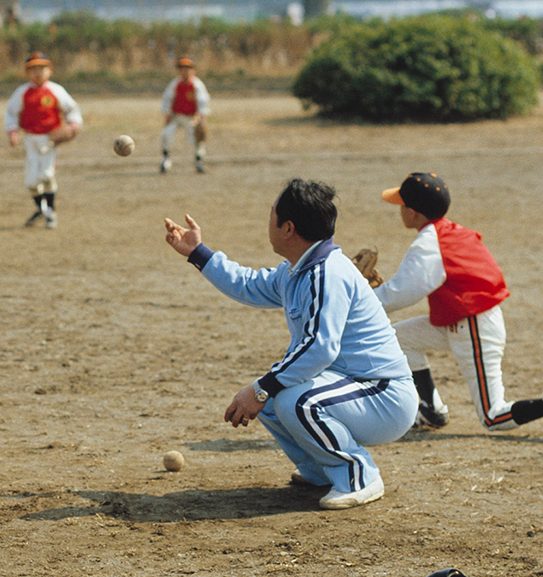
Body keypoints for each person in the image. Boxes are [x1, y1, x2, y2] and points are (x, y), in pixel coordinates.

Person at [164, 178, 418, 510]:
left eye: (272, 213)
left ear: (288, 229)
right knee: (274, 397)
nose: (267, 219)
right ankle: (321, 471)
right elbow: (249, 285)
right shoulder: (300, 269)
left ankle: (358, 475)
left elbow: (319, 348)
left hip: (383, 396)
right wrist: (198, 252)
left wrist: (259, 388)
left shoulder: (326, 273)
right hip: (351, 388)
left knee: (286, 398)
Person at [373, 172, 543, 437]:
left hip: (474, 327)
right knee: (400, 338)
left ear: (412, 213)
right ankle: (431, 410)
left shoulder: (430, 242)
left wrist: (363, 299)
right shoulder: (450, 232)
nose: (399, 210)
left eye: (402, 205)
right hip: (463, 322)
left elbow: (402, 293)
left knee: (493, 417)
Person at [4, 52, 82, 229]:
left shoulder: (55, 90)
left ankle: (50, 213)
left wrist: (73, 126)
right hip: (30, 139)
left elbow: (72, 110)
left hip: (50, 139)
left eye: (42, 68)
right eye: (33, 69)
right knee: (32, 182)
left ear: (50, 70)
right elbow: (11, 113)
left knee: (46, 175)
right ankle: (43, 210)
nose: (38, 73)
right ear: (27, 72)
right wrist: (12, 131)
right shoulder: (22, 92)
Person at [159, 56, 211, 174]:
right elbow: (167, 99)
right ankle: (165, 160)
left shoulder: (197, 85)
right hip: (176, 116)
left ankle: (199, 161)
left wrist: (201, 117)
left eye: (188, 68)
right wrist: (167, 113)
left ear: (193, 70)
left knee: (197, 139)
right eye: (182, 68)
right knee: (166, 135)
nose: (185, 71)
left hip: (191, 117)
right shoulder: (175, 84)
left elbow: (203, 101)